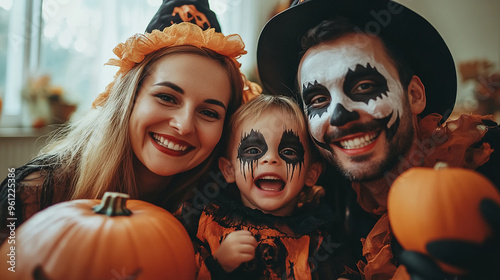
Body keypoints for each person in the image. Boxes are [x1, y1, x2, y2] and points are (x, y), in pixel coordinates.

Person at [256, 0, 500, 279]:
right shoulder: (323, 208)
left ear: (414, 95)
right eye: (319, 100)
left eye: (363, 87)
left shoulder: (491, 158)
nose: (338, 116)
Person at [0, 0, 256, 244]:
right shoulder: (29, 194)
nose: (184, 125)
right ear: (129, 98)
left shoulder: (219, 214)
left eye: (209, 112)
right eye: (167, 97)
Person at [178, 94, 358, 280]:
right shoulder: (207, 223)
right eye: (253, 150)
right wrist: (218, 266)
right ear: (229, 170)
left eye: (288, 151)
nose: (270, 158)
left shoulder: (319, 242)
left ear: (311, 174)